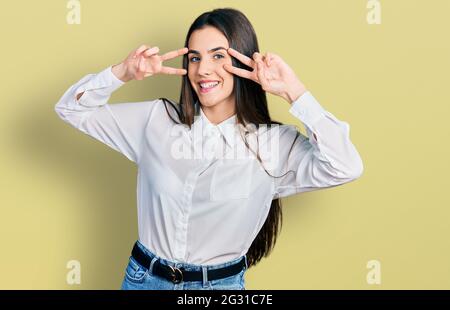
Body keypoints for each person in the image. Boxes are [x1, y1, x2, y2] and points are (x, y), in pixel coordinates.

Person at [54, 8, 364, 290]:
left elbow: (345, 166)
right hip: (143, 282)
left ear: (244, 60)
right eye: (195, 58)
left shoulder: (275, 145)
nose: (203, 70)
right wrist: (122, 73)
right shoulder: (155, 121)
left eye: (218, 56)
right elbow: (70, 109)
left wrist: (294, 91)